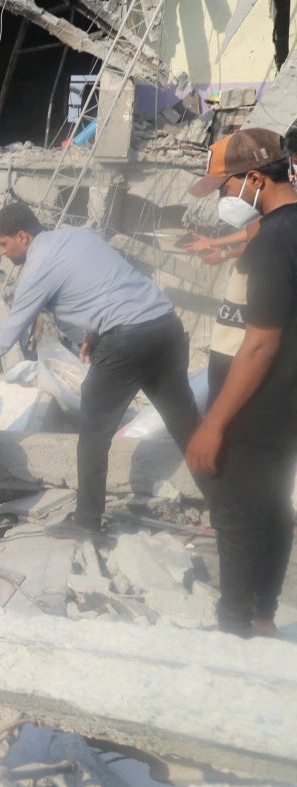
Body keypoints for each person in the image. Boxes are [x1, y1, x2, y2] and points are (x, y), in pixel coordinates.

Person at [0, 202, 202, 539]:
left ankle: (86, 522)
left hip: (126, 343)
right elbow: (109, 285)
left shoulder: (37, 268)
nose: (2, 252)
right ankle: (226, 499)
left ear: (22, 236)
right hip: (165, 326)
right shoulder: (80, 236)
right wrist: (95, 332)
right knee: (186, 425)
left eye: (4, 243)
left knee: (94, 436)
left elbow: (6, 338)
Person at [185, 128, 297, 637]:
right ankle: (262, 616)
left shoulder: (274, 245)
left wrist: (213, 424)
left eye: (227, 188)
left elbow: (259, 344)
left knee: (235, 516)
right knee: (272, 510)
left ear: (254, 179)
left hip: (253, 405)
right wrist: (225, 248)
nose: (226, 198)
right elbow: (255, 235)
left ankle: (233, 627)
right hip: (282, 405)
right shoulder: (282, 228)